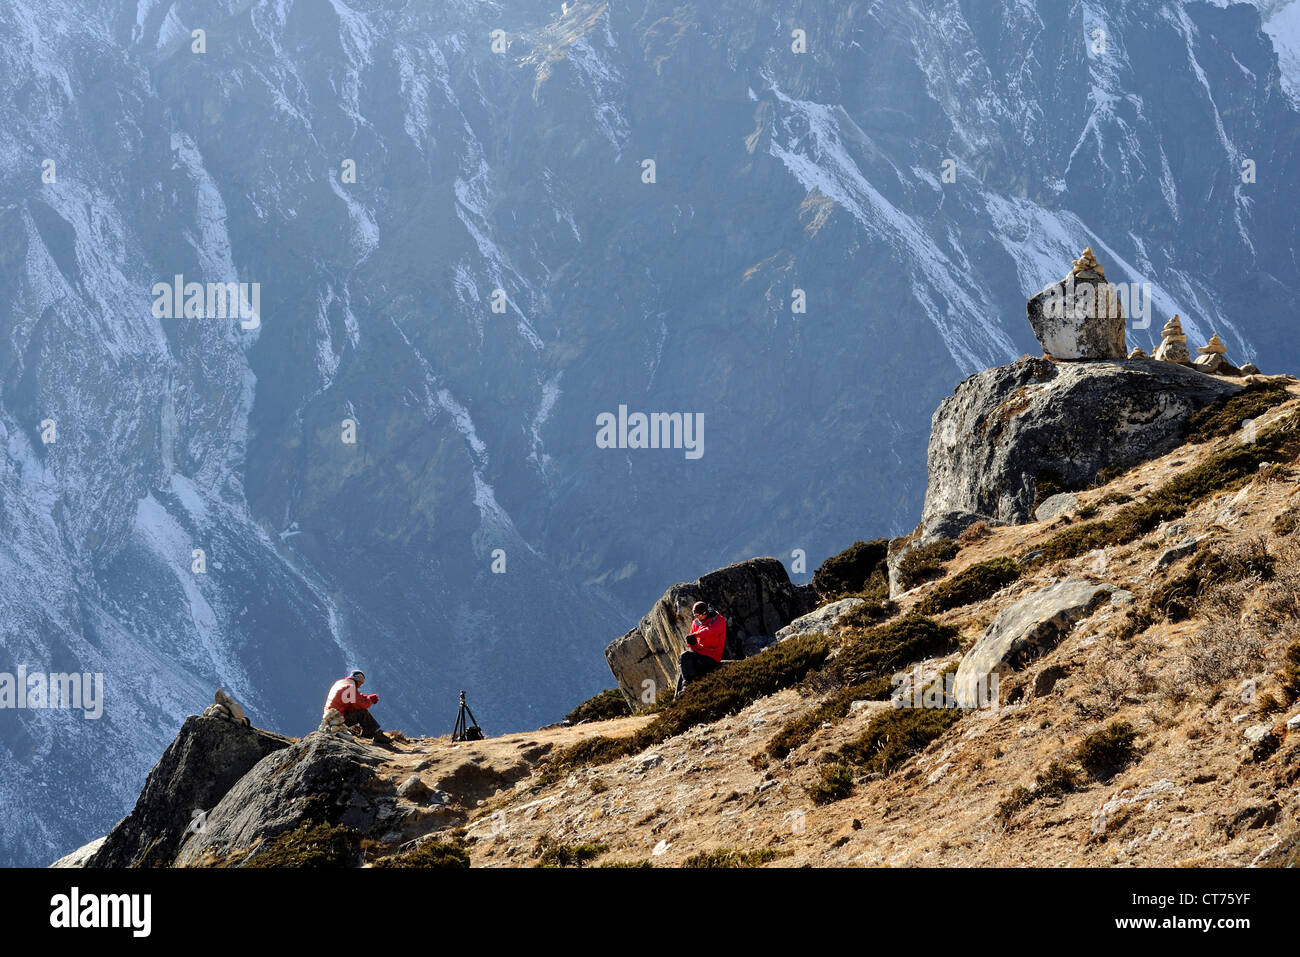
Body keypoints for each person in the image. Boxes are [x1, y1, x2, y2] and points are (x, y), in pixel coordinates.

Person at [324, 670, 391, 746]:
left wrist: (366, 697)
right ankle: (370, 734)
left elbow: (354, 698)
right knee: (362, 712)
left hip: (329, 718)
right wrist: (370, 700)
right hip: (337, 721)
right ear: (358, 681)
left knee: (359, 711)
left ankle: (370, 732)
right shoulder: (351, 687)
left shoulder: (341, 683)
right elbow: (360, 705)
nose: (360, 686)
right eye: (361, 683)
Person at [676, 601, 727, 693]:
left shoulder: (718, 620)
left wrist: (696, 635)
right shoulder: (696, 622)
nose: (698, 618)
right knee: (684, 658)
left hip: (712, 656)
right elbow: (691, 643)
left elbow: (711, 631)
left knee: (691, 667)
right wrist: (692, 642)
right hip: (699, 653)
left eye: (699, 615)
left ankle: (688, 688)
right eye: (696, 616)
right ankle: (684, 688)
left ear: (706, 612)